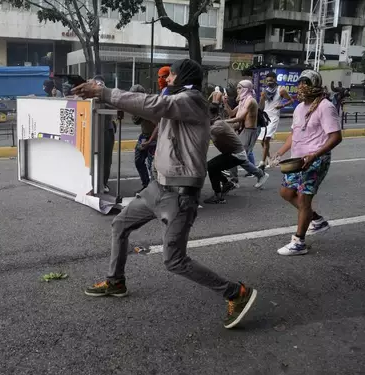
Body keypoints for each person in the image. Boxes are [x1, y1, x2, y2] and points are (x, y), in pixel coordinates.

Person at [74, 59, 258, 329]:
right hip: (156, 188)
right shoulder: (177, 103)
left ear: (183, 77)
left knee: (174, 261)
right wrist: (120, 105)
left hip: (179, 196)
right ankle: (116, 281)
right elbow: (152, 112)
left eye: (171, 76)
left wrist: (104, 92)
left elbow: (155, 105)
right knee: (120, 225)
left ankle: (236, 293)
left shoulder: (192, 100)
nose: (166, 81)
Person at [272, 70, 342, 256]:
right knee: (286, 192)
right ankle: (316, 220)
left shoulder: (325, 107)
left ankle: (299, 242)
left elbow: (336, 137)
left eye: (306, 82)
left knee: (303, 199)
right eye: (300, 82)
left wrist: (315, 155)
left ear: (316, 85)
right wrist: (279, 152)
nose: (301, 86)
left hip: (316, 160)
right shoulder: (299, 108)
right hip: (297, 160)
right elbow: (295, 134)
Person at [224, 80, 270, 190]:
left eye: (240, 88)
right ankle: (234, 179)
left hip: (249, 131)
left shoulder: (251, 101)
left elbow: (240, 118)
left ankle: (260, 174)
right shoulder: (242, 101)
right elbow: (231, 113)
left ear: (246, 89)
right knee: (234, 155)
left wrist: (224, 122)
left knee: (238, 157)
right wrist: (225, 103)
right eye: (237, 88)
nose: (237, 90)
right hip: (242, 131)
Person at [204, 104, 249, 204]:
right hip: (232, 153)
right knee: (212, 166)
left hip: (237, 155)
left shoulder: (218, 125)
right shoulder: (215, 123)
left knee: (211, 166)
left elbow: (203, 133)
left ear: (212, 114)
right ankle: (226, 184)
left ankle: (218, 196)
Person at [258, 72, 293, 170]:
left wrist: (281, 106)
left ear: (275, 80)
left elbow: (291, 100)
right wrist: (261, 98)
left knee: (266, 139)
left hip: (274, 118)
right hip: (265, 117)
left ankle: (262, 163)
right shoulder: (265, 91)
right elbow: (261, 106)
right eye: (267, 81)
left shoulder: (281, 90)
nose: (269, 82)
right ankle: (269, 159)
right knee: (261, 141)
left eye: (271, 80)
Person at [129, 84, 157, 193]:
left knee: (152, 166)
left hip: (154, 138)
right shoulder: (139, 105)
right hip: (144, 136)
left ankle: (153, 190)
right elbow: (136, 121)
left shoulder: (150, 103)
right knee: (139, 161)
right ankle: (146, 185)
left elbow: (158, 124)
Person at [93, 75, 116, 194]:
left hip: (107, 130)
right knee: (94, 158)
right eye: (96, 85)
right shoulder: (90, 97)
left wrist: (104, 98)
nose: (98, 87)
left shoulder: (109, 96)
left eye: (101, 85)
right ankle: (93, 181)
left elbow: (115, 106)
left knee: (106, 159)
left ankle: (104, 183)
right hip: (93, 132)